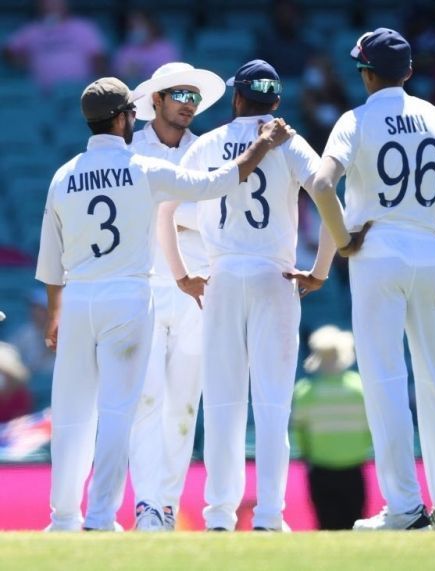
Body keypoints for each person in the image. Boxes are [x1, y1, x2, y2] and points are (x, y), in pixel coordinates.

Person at [35, 76, 292, 532]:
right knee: (122, 410)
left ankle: (69, 518)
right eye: (132, 114)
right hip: (133, 294)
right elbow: (220, 183)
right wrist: (264, 145)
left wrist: (55, 313)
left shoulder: (63, 174)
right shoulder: (142, 167)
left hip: (81, 296)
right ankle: (104, 515)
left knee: (76, 413)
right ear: (125, 116)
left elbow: (51, 260)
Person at [306, 28, 435, 531]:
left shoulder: (354, 120)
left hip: (377, 253)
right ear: (410, 72)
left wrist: (343, 239)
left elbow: (321, 183)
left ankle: (405, 508)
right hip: (426, 251)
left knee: (384, 382)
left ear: (366, 73)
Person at [162, 59, 323, 532]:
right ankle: (271, 516)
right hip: (276, 277)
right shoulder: (288, 141)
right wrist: (322, 266)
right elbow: (328, 190)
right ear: (275, 101)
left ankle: (218, 516)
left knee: (224, 404)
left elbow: (165, 212)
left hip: (223, 277)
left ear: (237, 98)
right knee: (273, 405)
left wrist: (181, 276)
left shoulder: (209, 143)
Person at [126, 62, 226, 531]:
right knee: (145, 401)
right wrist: (188, 212)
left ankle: (166, 505)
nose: (189, 102)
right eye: (179, 93)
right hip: (144, 286)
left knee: (184, 403)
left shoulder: (207, 151)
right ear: (157, 100)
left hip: (196, 289)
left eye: (194, 95)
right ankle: (146, 504)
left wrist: (173, 212)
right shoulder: (129, 149)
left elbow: (218, 216)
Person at [291, 325, 372, 530]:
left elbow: (299, 434)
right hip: (354, 469)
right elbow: (372, 429)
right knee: (354, 527)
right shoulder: (360, 388)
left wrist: (308, 454)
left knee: (326, 528)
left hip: (320, 470)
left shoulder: (305, 392)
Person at [2, 0, 106, 92]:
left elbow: (99, 58)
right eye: (47, 2)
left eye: (56, 2)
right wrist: (20, 61)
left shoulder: (83, 27)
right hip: (42, 94)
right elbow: (8, 51)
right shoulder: (32, 30)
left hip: (79, 92)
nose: (52, 5)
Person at [113, 11, 179, 85]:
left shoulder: (165, 48)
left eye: (139, 25)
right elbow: (118, 77)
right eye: (131, 27)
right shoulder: (126, 50)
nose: (135, 30)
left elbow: (171, 75)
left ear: (151, 26)